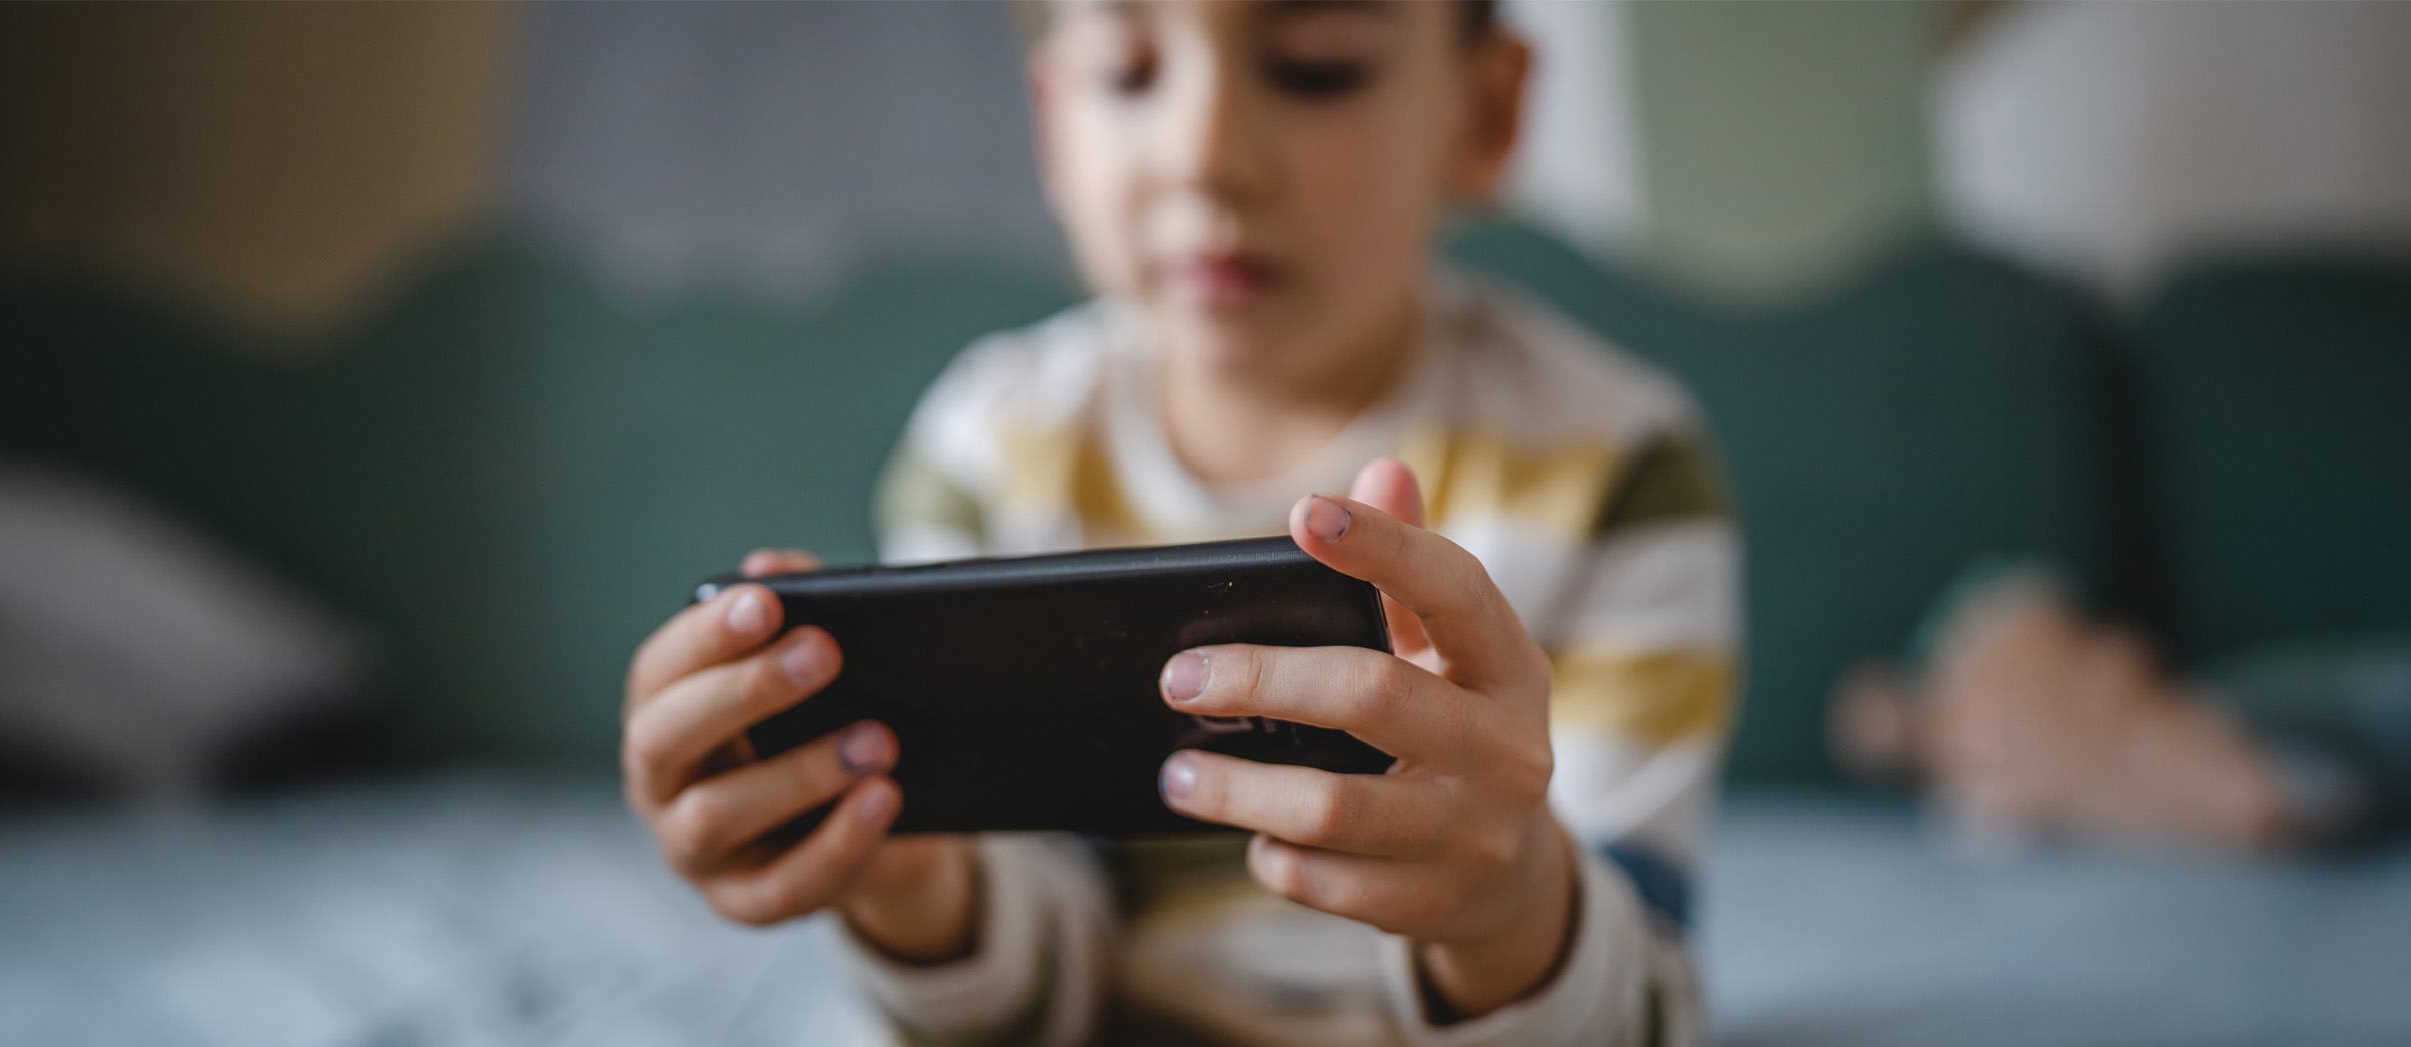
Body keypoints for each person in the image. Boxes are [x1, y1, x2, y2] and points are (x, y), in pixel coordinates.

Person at [621, 2, 1738, 1043]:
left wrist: (1510, 907)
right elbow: (1028, 976)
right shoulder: (993, 448)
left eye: (1317, 66)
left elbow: (1638, 997)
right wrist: (906, 878)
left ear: (1484, 112)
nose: (1204, 155)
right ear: (1053, 122)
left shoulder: (1618, 467)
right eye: (1127, 70)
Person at [1833, 562, 2411, 852]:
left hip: (2202, 709)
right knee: (2330, 788)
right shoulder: (1973, 802)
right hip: (2218, 806)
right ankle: (2298, 797)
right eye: (1874, 744)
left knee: (2359, 697)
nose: (1888, 726)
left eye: (1877, 705)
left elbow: (2046, 604)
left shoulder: (1977, 639)